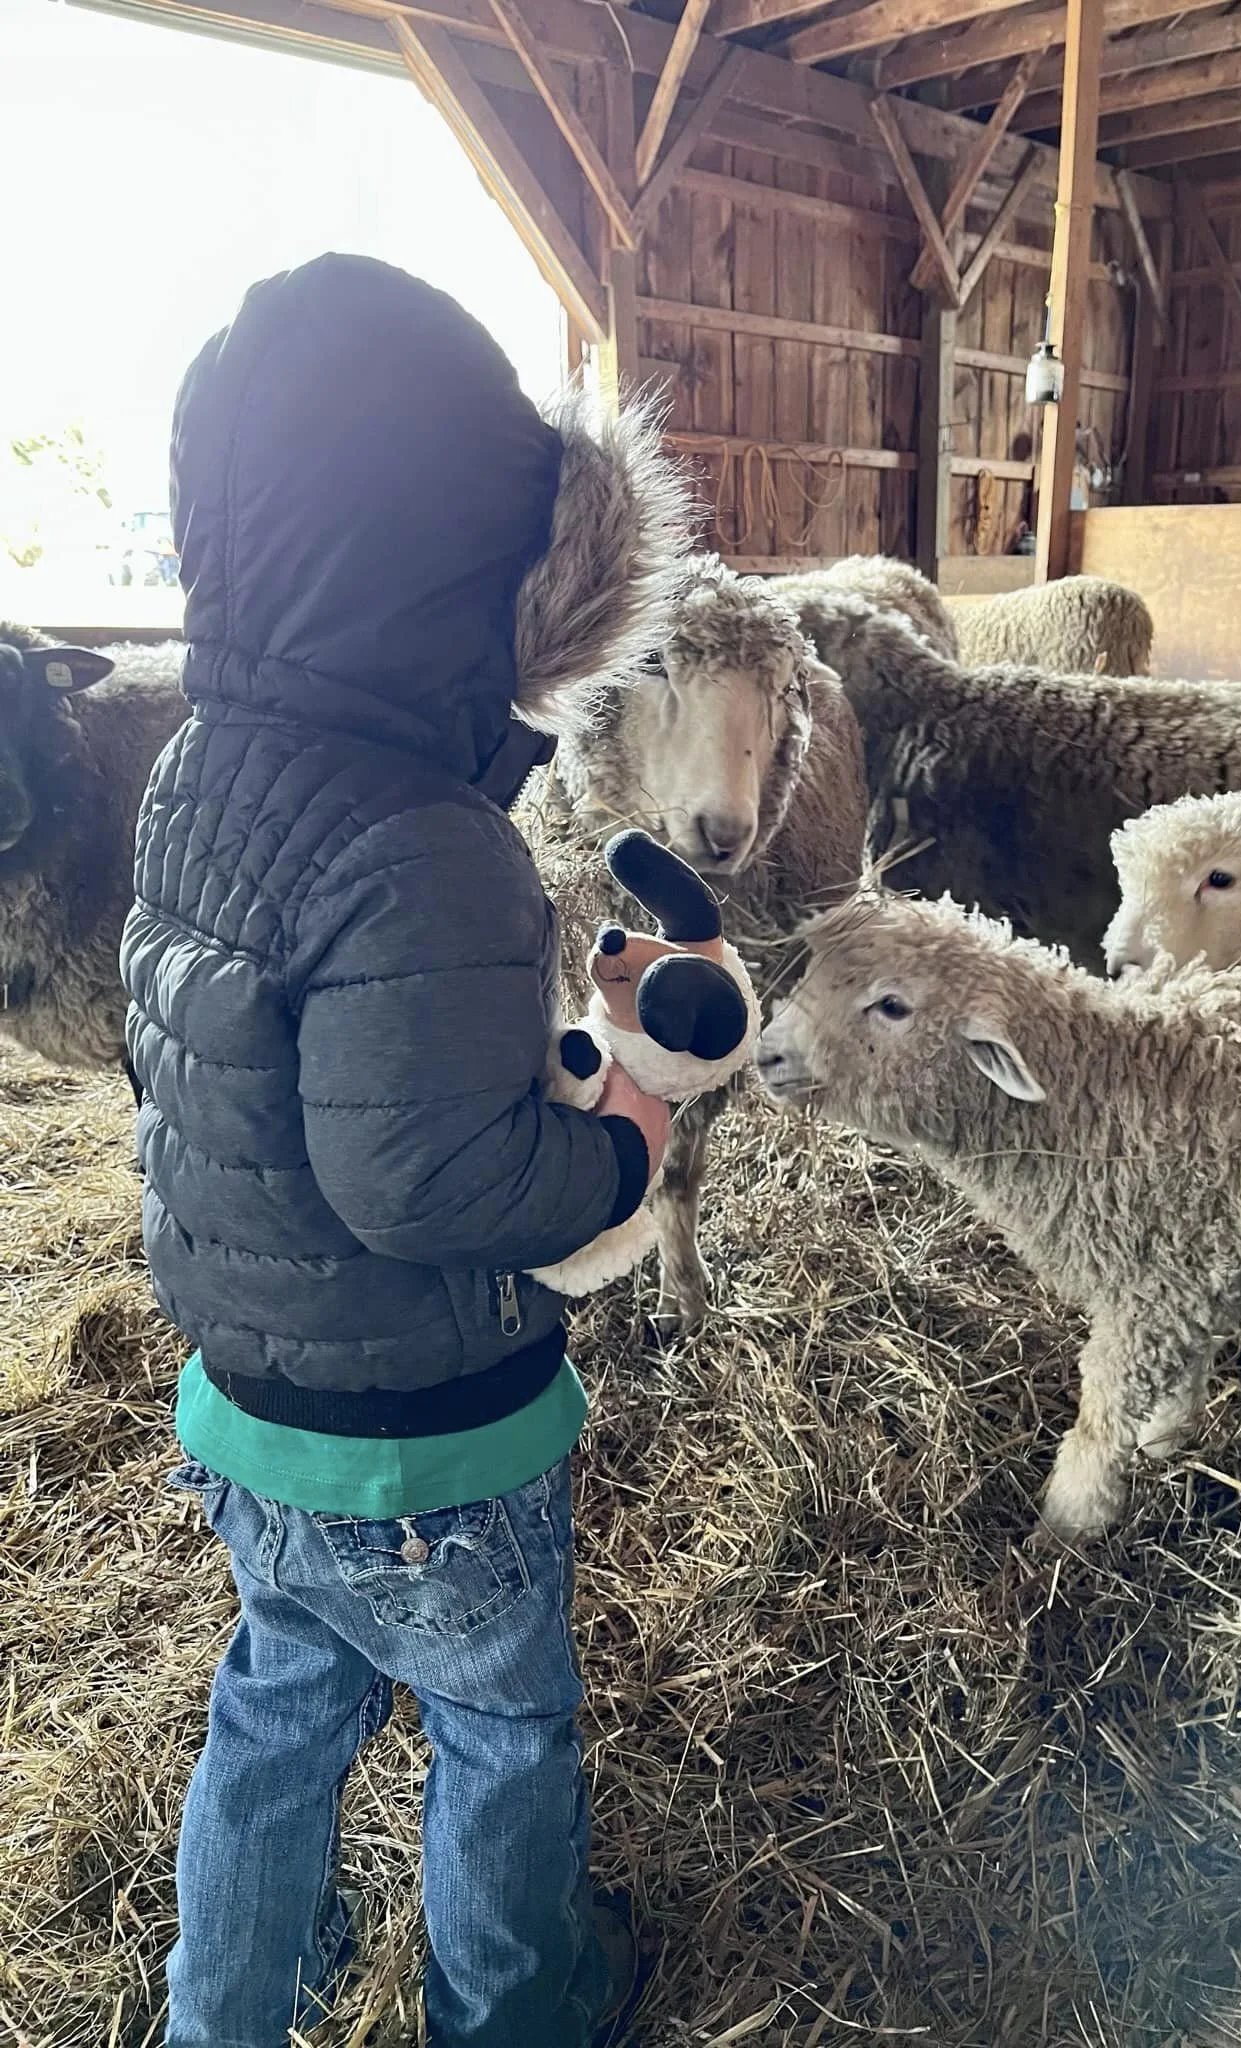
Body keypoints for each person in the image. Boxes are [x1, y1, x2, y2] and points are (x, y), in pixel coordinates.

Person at [122, 253, 689, 2048]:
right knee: (504, 1726)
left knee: (276, 1707)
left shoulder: (196, 771)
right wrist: (618, 1165)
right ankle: (523, 2005)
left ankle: (227, 2002)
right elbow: (424, 1179)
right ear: (460, 573)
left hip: (253, 1408)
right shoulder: (426, 846)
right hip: (431, 1439)